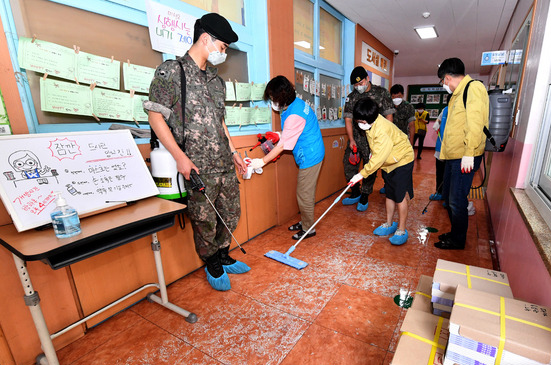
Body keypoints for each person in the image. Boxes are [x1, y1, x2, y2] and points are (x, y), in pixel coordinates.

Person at [145, 13, 249, 291]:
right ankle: (212, 261)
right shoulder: (172, 72)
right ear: (206, 39)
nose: (223, 53)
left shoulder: (217, 81)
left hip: (224, 163)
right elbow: (155, 117)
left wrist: (235, 152)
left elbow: (220, 122)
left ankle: (224, 254)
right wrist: (180, 158)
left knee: (230, 213)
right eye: (223, 47)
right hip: (196, 164)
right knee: (204, 219)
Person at [251, 75, 325, 240]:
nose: (271, 101)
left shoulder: (294, 114)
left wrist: (261, 161)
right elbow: (294, 131)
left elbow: (284, 145)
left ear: (281, 96)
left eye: (272, 97)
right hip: (310, 150)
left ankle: (309, 229)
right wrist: (279, 134)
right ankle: (306, 221)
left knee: (304, 193)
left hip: (311, 154)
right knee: (304, 192)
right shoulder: (295, 104)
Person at [434, 57, 489, 250]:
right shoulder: (456, 94)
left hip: (464, 156)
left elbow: (475, 123)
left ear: (447, 78)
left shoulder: (473, 88)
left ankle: (458, 241)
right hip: (452, 156)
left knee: (457, 200)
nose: (444, 85)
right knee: (449, 199)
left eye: (443, 82)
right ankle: (455, 232)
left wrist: (469, 153)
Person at [350, 97, 414, 245]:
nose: (360, 125)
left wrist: (361, 174)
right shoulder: (370, 123)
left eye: (362, 122)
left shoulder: (382, 129)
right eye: (358, 121)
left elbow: (378, 158)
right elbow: (377, 148)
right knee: (390, 194)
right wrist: (374, 152)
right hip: (389, 163)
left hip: (402, 161)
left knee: (400, 196)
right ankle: (389, 223)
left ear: (371, 118)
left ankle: (402, 229)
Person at [342, 66, 395, 212]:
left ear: (367, 79)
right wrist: (351, 139)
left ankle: (365, 195)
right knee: (348, 165)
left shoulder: (381, 93)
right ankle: (355, 192)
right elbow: (348, 119)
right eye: (355, 85)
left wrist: (384, 138)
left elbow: (389, 115)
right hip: (356, 138)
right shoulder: (352, 97)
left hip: (374, 139)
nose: (358, 87)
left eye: (360, 83)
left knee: (370, 168)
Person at [430, 106, 447, 201]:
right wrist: (437, 123)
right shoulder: (444, 110)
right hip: (440, 147)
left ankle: (447, 197)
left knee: (449, 174)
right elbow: (439, 120)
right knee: (440, 171)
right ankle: (439, 192)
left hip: (452, 150)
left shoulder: (460, 110)